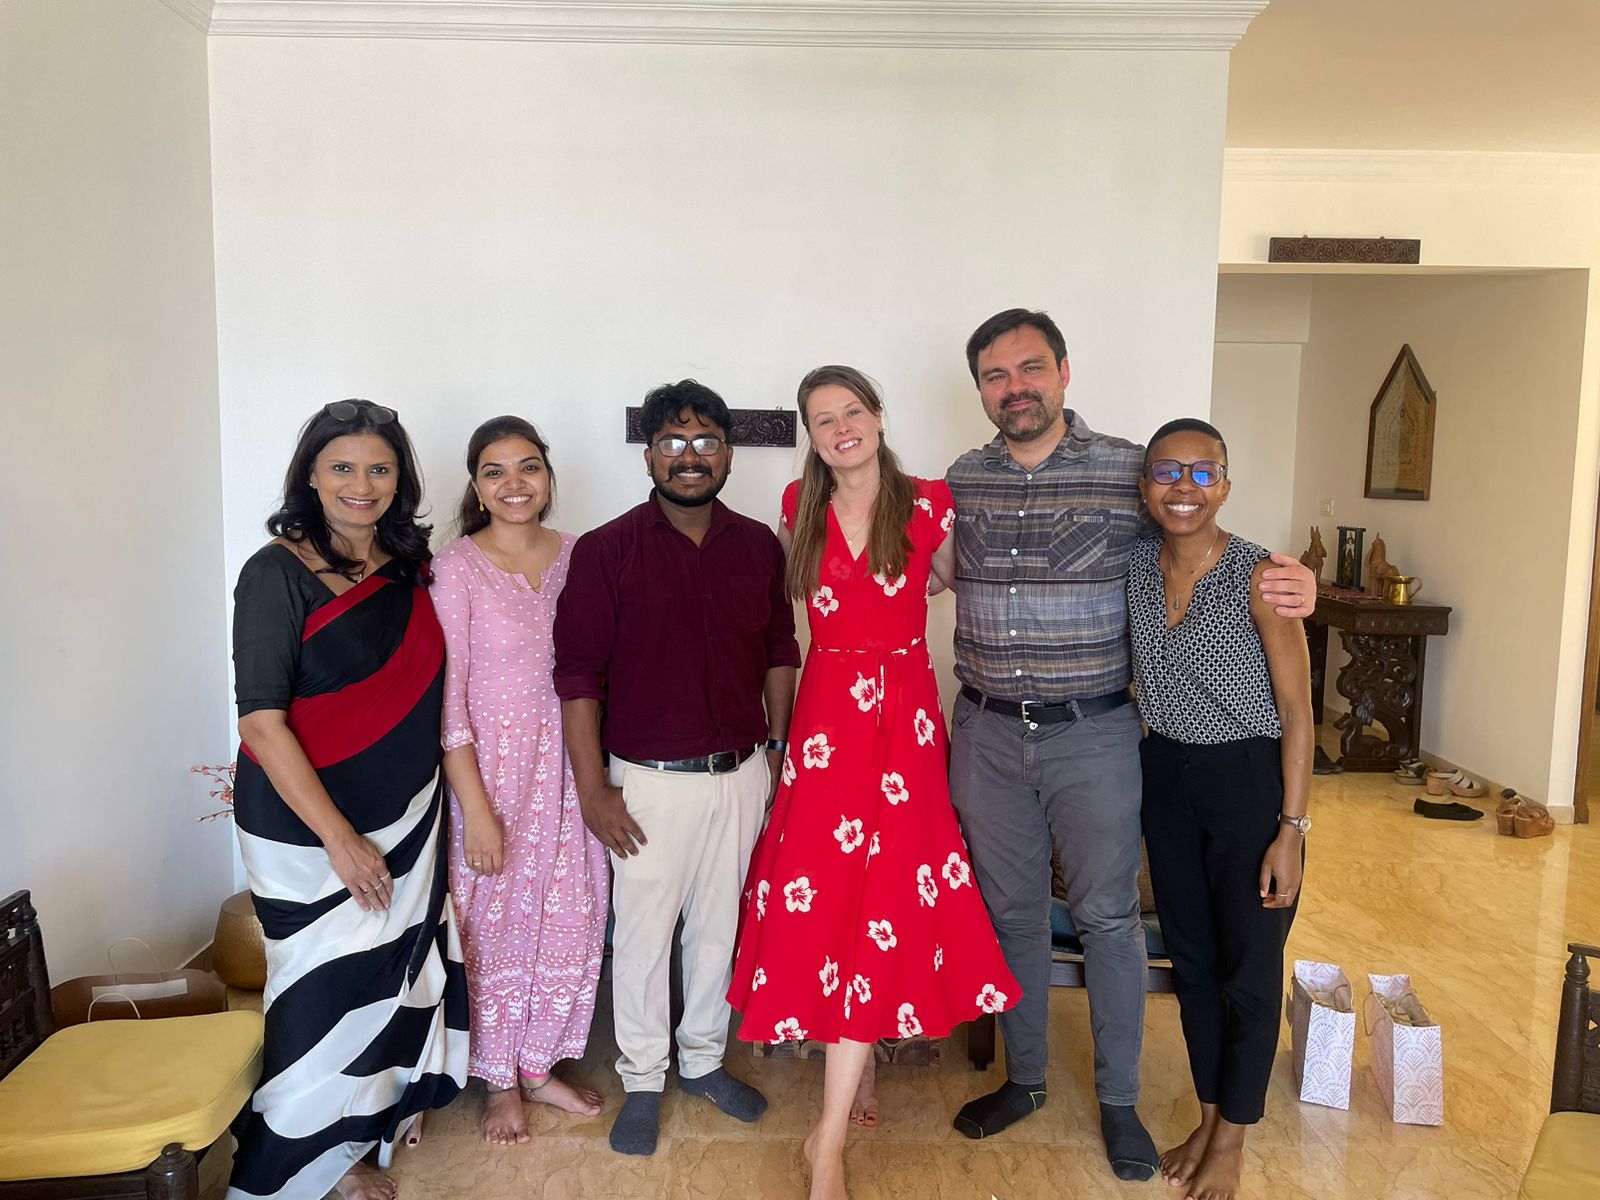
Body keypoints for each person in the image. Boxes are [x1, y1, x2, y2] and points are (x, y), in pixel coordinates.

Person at [942, 310, 1315, 1181]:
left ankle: (1118, 1101)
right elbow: (914, 555)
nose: (1015, 388)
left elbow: (1200, 532)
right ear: (982, 390)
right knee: (1011, 914)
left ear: (1064, 372)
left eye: (1031, 368)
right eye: (996, 375)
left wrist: (1297, 581)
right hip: (987, 731)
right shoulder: (964, 478)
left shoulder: (1125, 469)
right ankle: (1025, 1078)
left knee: (1109, 917)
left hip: (1094, 734)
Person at [727, 366, 1020, 1200]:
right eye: (823, 419)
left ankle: (827, 1138)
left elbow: (960, 580)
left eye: (852, 411)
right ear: (811, 436)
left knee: (888, 892)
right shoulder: (798, 506)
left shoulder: (930, 503)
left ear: (879, 416)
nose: (841, 428)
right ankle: (852, 1077)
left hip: (905, 723)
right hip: (827, 721)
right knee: (828, 893)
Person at [553, 380, 800, 1157]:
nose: (689, 458)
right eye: (672, 443)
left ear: (727, 454)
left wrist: (777, 751)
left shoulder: (758, 545)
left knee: (719, 930)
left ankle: (701, 1062)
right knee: (644, 937)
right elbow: (578, 676)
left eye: (704, 443)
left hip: (743, 771)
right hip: (647, 784)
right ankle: (643, 1077)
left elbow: (780, 650)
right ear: (650, 455)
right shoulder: (606, 550)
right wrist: (593, 789)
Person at [228, 399, 467, 1200]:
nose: (360, 484)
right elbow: (261, 724)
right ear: (311, 475)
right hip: (307, 828)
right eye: (341, 467)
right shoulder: (274, 573)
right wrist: (339, 838)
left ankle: (360, 1138)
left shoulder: (410, 571)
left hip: (409, 810)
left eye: (378, 468)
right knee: (319, 991)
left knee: (389, 980)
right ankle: (297, 1165)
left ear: (400, 480)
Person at [1130, 418, 1312, 1200]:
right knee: (1194, 961)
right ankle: (1209, 1118)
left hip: (1247, 782)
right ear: (1145, 487)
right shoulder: (1135, 568)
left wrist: (1291, 831)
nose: (1184, 488)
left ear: (1226, 487)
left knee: (1250, 966)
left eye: (1202, 473)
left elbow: (1299, 712)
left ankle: (1234, 1136)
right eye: (1166, 472)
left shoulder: (1260, 578)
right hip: (1165, 778)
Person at [432, 416, 609, 1146]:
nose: (514, 483)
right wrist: (476, 811)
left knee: (574, 915)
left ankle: (538, 1067)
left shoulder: (581, 555)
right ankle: (498, 1080)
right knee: (492, 928)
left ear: (548, 476)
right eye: (495, 471)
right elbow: (449, 700)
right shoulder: (455, 567)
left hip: (572, 771)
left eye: (528, 466)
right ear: (477, 487)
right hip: (494, 779)